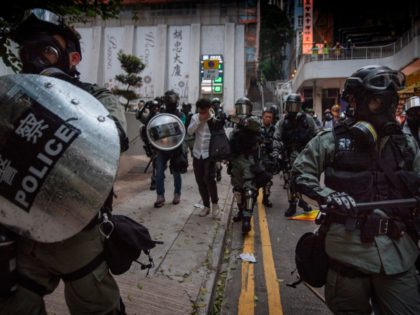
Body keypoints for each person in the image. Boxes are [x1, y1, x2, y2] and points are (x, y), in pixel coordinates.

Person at [1, 8, 129, 314]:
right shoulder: (13, 101)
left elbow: (115, 137)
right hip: (21, 231)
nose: (35, 60)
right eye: (27, 52)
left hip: (78, 228)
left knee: (99, 307)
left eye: (47, 50)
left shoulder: (94, 97)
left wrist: (63, 95)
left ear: (72, 58)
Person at [292, 65, 420, 314]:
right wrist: (330, 196)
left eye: (390, 102)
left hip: (399, 257)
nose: (384, 110)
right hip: (347, 259)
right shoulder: (331, 139)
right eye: (375, 101)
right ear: (355, 101)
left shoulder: (406, 144)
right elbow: (300, 173)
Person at [273, 93, 316, 217]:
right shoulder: (283, 122)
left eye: (294, 105)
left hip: (305, 155)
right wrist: (276, 151)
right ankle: (292, 204)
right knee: (290, 181)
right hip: (289, 154)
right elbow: (277, 137)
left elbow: (316, 135)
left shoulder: (308, 119)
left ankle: (303, 201)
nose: (292, 108)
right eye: (290, 105)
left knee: (304, 180)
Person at [228, 97, 263, 233]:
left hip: (249, 160)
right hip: (236, 160)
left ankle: (247, 218)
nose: (241, 111)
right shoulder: (236, 127)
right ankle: (241, 211)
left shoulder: (253, 120)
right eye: (239, 108)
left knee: (249, 189)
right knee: (237, 189)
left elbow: (249, 123)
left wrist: (231, 117)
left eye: (243, 107)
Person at [187, 98, 221, 219]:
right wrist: (199, 121)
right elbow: (189, 131)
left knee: (210, 179)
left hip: (210, 154)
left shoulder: (215, 119)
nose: (201, 113)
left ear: (208, 108)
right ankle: (206, 206)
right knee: (200, 181)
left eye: (203, 111)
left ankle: (215, 206)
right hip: (197, 153)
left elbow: (220, 137)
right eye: (199, 111)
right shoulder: (195, 117)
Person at [154, 90, 187, 208]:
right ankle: (160, 195)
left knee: (176, 173)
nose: (171, 102)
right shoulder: (161, 114)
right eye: (169, 99)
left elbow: (181, 129)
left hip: (176, 148)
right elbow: (155, 128)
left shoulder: (180, 115)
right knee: (159, 173)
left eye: (172, 99)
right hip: (162, 147)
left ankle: (177, 194)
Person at [137, 99, 161, 190]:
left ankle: (159, 175)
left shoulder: (160, 117)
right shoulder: (147, 118)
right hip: (151, 143)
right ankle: (154, 180)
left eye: (156, 107)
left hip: (160, 142)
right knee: (155, 162)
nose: (155, 109)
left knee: (160, 162)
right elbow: (138, 116)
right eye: (152, 107)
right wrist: (143, 107)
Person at [259, 109, 277, 207]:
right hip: (258, 156)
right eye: (267, 116)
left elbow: (277, 140)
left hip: (269, 157)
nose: (268, 119)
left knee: (268, 180)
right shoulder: (257, 127)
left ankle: (265, 198)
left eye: (270, 117)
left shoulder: (274, 129)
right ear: (263, 117)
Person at [211, 97, 226, 182]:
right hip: (212, 136)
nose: (215, 106)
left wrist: (220, 113)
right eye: (214, 104)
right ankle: (215, 171)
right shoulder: (210, 113)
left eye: (217, 103)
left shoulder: (221, 113)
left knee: (218, 156)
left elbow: (223, 120)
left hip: (219, 136)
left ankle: (218, 170)